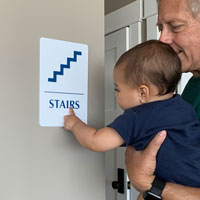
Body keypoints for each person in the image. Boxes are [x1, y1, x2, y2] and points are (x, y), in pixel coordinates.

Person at [64, 40, 200, 188]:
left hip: (176, 189)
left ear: (142, 92)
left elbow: (96, 141)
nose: (116, 95)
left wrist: (75, 124)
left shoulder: (136, 117)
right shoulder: (184, 107)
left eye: (118, 89)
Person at [125, 0, 200, 199]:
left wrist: (150, 184)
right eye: (160, 28)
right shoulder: (192, 87)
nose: (162, 39)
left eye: (175, 27)